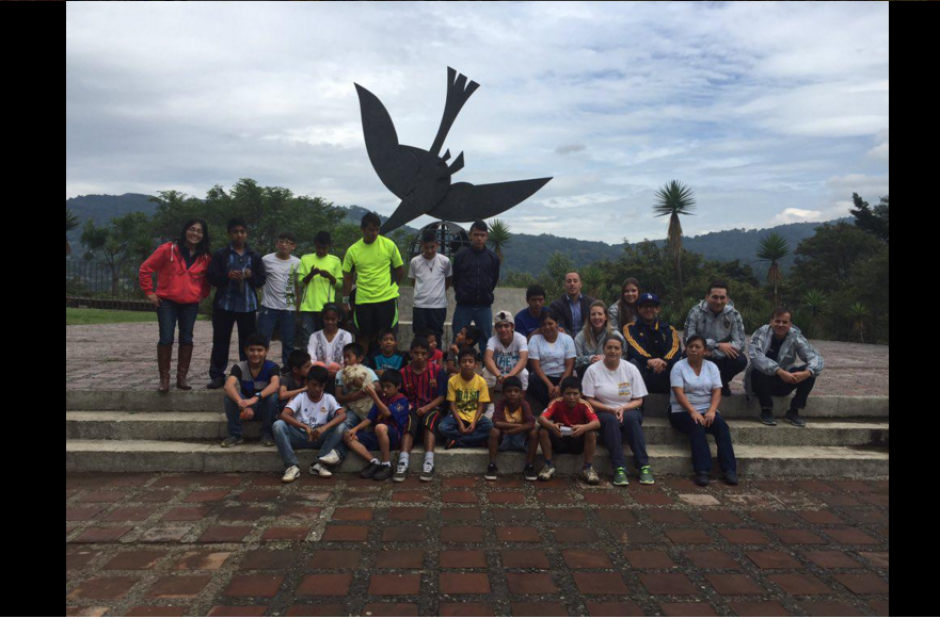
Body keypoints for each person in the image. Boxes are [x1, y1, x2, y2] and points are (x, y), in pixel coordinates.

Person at [139, 219, 212, 392]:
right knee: (166, 338)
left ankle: (182, 378)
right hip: (167, 302)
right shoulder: (168, 249)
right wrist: (149, 292)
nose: (195, 234)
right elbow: (146, 268)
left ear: (203, 235)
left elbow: (207, 280)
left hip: (190, 304)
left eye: (199, 231)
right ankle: (164, 378)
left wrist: (201, 295)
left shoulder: (206, 257)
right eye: (191, 229)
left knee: (186, 338)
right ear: (185, 231)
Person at [582, 335, 653, 486]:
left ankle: (644, 466)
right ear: (603, 349)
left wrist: (622, 408)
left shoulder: (631, 369)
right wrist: (609, 409)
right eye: (609, 347)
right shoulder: (593, 370)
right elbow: (588, 400)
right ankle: (619, 468)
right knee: (611, 421)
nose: (613, 351)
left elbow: (639, 400)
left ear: (622, 351)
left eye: (616, 348)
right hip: (602, 410)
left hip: (628, 408)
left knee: (632, 419)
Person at [669, 335, 739, 487]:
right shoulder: (678, 367)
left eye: (697, 347)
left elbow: (717, 390)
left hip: (707, 409)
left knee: (721, 426)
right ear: (685, 349)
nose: (693, 349)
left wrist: (712, 410)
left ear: (705, 351)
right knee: (696, 425)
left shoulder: (711, 367)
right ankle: (702, 470)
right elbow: (678, 393)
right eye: (690, 346)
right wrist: (693, 412)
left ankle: (729, 470)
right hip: (681, 411)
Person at [207, 218, 268, 390]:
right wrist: (227, 276)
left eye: (242, 231)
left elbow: (260, 280)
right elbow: (211, 277)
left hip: (247, 306)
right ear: (229, 233)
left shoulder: (254, 256)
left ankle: (246, 375)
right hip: (224, 305)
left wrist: (250, 276)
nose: (239, 235)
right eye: (235, 231)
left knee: (247, 343)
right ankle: (217, 376)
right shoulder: (221, 255)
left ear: (246, 233)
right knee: (220, 341)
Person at [746, 308, 825, 428]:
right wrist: (779, 371)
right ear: (771, 321)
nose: (780, 325)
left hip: (784, 381)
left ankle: (794, 411)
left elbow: (814, 357)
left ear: (790, 324)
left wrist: (807, 372)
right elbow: (755, 356)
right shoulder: (761, 333)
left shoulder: (795, 335)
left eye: (785, 322)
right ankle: (766, 410)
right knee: (757, 370)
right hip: (760, 383)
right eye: (777, 321)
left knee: (810, 370)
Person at [273, 366, 352, 482]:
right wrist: (305, 427)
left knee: (341, 426)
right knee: (278, 425)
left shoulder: (328, 398)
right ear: (306, 383)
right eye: (314, 384)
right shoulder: (300, 396)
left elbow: (342, 415)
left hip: (319, 437)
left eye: (321, 386)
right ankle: (291, 466)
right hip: (299, 436)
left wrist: (323, 428)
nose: (317, 389)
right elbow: (284, 415)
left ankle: (319, 463)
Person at [342, 212, 405, 354]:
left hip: (386, 299)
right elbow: (347, 277)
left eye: (377, 229)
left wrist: (393, 288)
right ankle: (362, 369)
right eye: (371, 229)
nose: (375, 233)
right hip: (363, 300)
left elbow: (400, 270)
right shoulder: (353, 250)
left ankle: (388, 369)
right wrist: (345, 302)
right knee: (363, 336)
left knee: (388, 336)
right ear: (362, 229)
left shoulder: (389, 245)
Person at [343, 369, 410, 482]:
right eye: (383, 386)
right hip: (377, 436)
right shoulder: (382, 399)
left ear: (398, 386)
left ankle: (386, 464)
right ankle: (374, 462)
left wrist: (374, 396)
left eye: (388, 386)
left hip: (393, 437)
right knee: (348, 436)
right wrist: (354, 429)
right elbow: (369, 419)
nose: (385, 390)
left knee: (380, 427)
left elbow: (387, 413)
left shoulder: (402, 400)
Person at [398, 338, 449, 483]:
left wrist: (427, 407)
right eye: (416, 353)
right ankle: (403, 462)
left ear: (428, 355)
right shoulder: (403, 372)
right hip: (412, 407)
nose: (419, 356)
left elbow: (441, 396)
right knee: (409, 422)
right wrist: (407, 405)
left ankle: (428, 462)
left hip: (432, 407)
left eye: (423, 353)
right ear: (410, 353)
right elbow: (400, 394)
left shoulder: (438, 371)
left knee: (429, 421)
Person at [684, 281, 747, 396]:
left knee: (741, 360)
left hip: (720, 355)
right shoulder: (695, 312)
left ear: (727, 299)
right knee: (685, 356)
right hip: (701, 354)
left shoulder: (734, 314)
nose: (718, 301)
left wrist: (714, 351)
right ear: (707, 297)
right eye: (715, 297)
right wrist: (716, 345)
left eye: (722, 297)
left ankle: (721, 382)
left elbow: (740, 344)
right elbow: (689, 339)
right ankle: (702, 385)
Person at [537, 377, 601, 484]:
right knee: (543, 430)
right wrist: (552, 426)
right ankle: (549, 465)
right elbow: (541, 419)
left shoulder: (585, 405)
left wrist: (583, 427)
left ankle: (588, 468)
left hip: (577, 439)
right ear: (562, 394)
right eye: (568, 393)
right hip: (559, 437)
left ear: (580, 394)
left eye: (575, 393)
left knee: (591, 432)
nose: (572, 397)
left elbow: (597, 423)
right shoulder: (556, 402)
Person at [221, 334, 281, 448]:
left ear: (266, 351)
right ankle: (235, 434)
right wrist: (242, 404)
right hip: (246, 408)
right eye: (252, 350)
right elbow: (228, 385)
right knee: (228, 396)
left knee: (272, 397)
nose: (256, 354)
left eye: (260, 350)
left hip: (264, 407)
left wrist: (255, 398)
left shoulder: (272, 367)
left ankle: (267, 433)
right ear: (246, 351)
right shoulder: (239, 367)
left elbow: (275, 385)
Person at [452, 221, 500, 348]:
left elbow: (493, 280)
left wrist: (486, 292)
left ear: (487, 236)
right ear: (470, 235)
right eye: (476, 234)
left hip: (484, 306)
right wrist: (463, 294)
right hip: (464, 306)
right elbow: (455, 279)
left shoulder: (493, 258)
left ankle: (486, 368)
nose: (479, 238)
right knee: (458, 339)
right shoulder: (461, 257)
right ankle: (454, 366)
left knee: (486, 341)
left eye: (482, 235)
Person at [258, 232, 302, 369]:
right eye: (281, 241)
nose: (284, 244)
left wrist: (298, 307)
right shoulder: (266, 260)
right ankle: (260, 367)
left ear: (293, 246)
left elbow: (297, 285)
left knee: (288, 341)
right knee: (263, 339)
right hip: (268, 306)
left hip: (288, 308)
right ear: (276, 243)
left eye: (288, 242)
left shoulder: (297, 262)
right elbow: (259, 278)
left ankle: (288, 369)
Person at [624, 293, 683, 394]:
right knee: (633, 362)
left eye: (652, 306)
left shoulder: (669, 329)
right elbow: (634, 348)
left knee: (679, 363)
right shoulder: (630, 328)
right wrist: (649, 361)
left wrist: (664, 361)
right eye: (645, 306)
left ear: (657, 309)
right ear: (639, 309)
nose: (648, 309)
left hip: (663, 368)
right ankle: (636, 401)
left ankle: (677, 402)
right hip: (643, 367)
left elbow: (674, 348)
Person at [486, 376, 539, 482]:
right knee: (494, 431)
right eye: (508, 391)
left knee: (534, 432)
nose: (512, 394)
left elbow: (531, 423)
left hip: (521, 439)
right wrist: (518, 426)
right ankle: (492, 465)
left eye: (516, 391)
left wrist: (514, 431)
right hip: (504, 438)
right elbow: (496, 422)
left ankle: (529, 465)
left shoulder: (524, 404)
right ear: (503, 393)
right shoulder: (501, 403)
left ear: (521, 393)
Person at [440, 348, 495, 449]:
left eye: (470, 361)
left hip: (474, 416)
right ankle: (476, 440)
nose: (467, 364)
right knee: (443, 427)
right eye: (464, 361)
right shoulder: (452, 381)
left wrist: (474, 423)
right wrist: (460, 424)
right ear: (459, 364)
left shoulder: (481, 382)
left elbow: (481, 406)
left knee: (489, 426)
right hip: (457, 416)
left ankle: (458, 441)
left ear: (476, 365)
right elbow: (452, 405)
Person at [298, 231, 344, 347]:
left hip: (327, 309)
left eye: (324, 248)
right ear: (315, 245)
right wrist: (311, 274)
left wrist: (329, 276)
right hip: (307, 308)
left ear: (329, 246)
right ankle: (308, 365)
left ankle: (324, 365)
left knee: (325, 341)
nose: (321, 251)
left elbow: (340, 285)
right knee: (307, 341)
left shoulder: (335, 261)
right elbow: (300, 283)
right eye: (318, 248)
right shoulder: (305, 259)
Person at [410, 229, 453, 347]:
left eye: (432, 247)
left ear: (437, 245)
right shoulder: (415, 262)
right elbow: (414, 281)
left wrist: (438, 293)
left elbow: (448, 280)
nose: (429, 250)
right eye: (426, 247)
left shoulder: (445, 261)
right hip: (420, 305)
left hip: (438, 306)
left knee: (437, 335)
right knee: (419, 335)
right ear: (421, 246)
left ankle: (436, 363)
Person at [528, 310, 577, 409]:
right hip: (544, 378)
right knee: (532, 380)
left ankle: (552, 409)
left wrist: (560, 386)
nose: (547, 327)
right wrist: (550, 385)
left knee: (574, 382)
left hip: (563, 377)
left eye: (550, 323)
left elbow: (570, 365)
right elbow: (535, 366)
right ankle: (551, 408)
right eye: (544, 324)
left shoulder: (567, 339)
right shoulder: (535, 339)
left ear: (557, 323)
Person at [574, 301, 626, 377]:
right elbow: (576, 361)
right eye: (593, 314)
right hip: (588, 373)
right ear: (589, 317)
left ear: (606, 317)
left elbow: (624, 357)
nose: (596, 317)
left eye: (600, 314)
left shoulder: (615, 335)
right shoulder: (581, 336)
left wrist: (607, 358)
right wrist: (590, 359)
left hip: (611, 371)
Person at [483, 310, 530, 393]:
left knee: (524, 373)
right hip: (498, 378)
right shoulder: (492, 340)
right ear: (496, 328)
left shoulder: (520, 338)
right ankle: (490, 404)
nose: (503, 329)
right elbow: (487, 358)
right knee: (486, 371)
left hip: (514, 377)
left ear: (512, 327)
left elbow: (523, 359)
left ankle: (521, 403)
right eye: (499, 326)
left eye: (506, 326)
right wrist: (499, 376)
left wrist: (511, 375)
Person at [335, 343, 382, 421]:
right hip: (352, 409)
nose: (346, 360)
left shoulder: (368, 371)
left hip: (368, 409)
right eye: (344, 357)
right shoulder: (340, 373)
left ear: (360, 358)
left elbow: (378, 389)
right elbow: (339, 397)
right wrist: (352, 396)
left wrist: (361, 385)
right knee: (341, 427)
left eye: (349, 357)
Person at [307, 304, 353, 384]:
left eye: (333, 319)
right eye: (327, 319)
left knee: (335, 366)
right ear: (323, 319)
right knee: (319, 364)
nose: (330, 322)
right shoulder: (314, 336)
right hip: (319, 374)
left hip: (339, 372)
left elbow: (347, 357)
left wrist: (338, 373)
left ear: (339, 319)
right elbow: (311, 358)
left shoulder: (346, 335)